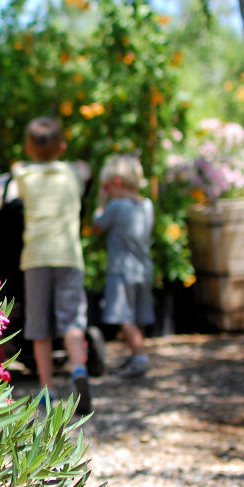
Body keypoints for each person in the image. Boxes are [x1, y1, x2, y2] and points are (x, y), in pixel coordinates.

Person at [12, 116, 92, 414]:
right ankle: (79, 371)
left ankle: (47, 389)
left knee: (40, 326)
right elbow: (85, 169)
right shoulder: (73, 174)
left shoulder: (25, 176)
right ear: (62, 146)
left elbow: (17, 174)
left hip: (36, 258)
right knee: (71, 322)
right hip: (69, 257)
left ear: (28, 147)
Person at [92, 154, 155, 378]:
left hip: (121, 269)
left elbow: (98, 226)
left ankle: (140, 357)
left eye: (106, 186)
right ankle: (136, 354)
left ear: (116, 183)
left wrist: (100, 204)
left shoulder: (116, 206)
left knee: (122, 316)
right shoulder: (147, 205)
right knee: (138, 316)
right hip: (144, 268)